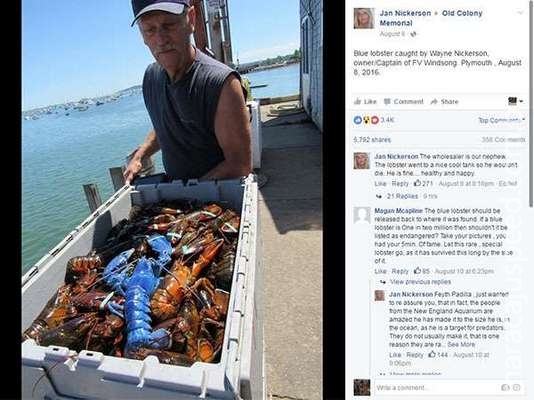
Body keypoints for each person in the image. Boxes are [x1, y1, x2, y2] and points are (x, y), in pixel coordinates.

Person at [123, 0, 252, 184]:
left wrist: (187, 194)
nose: (161, 39)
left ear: (191, 19)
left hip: (220, 201)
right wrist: (140, 155)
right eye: (149, 29)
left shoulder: (221, 84)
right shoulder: (151, 78)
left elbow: (239, 164)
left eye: (169, 24)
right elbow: (166, 128)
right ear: (142, 35)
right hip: (179, 200)